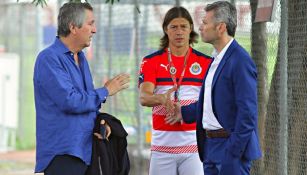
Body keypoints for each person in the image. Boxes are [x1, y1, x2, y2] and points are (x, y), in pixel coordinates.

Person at [33, 2, 130, 175]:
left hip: (86, 151)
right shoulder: (48, 59)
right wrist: (106, 90)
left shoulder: (81, 58)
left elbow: (86, 100)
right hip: (63, 154)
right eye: (90, 23)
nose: (94, 30)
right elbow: (71, 101)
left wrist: (99, 123)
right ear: (73, 27)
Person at [173, 1, 262, 175]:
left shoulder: (240, 60)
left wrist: (233, 151)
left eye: (205, 23)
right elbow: (213, 100)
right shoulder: (215, 58)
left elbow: (248, 112)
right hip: (210, 148)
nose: (200, 27)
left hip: (230, 149)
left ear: (221, 27)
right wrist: (184, 112)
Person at [138, 6, 212, 175]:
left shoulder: (206, 62)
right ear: (166, 29)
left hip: (194, 148)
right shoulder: (151, 61)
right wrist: (161, 99)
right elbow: (144, 97)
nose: (179, 32)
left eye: (183, 27)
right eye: (174, 27)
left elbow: (210, 100)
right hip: (161, 149)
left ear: (190, 29)